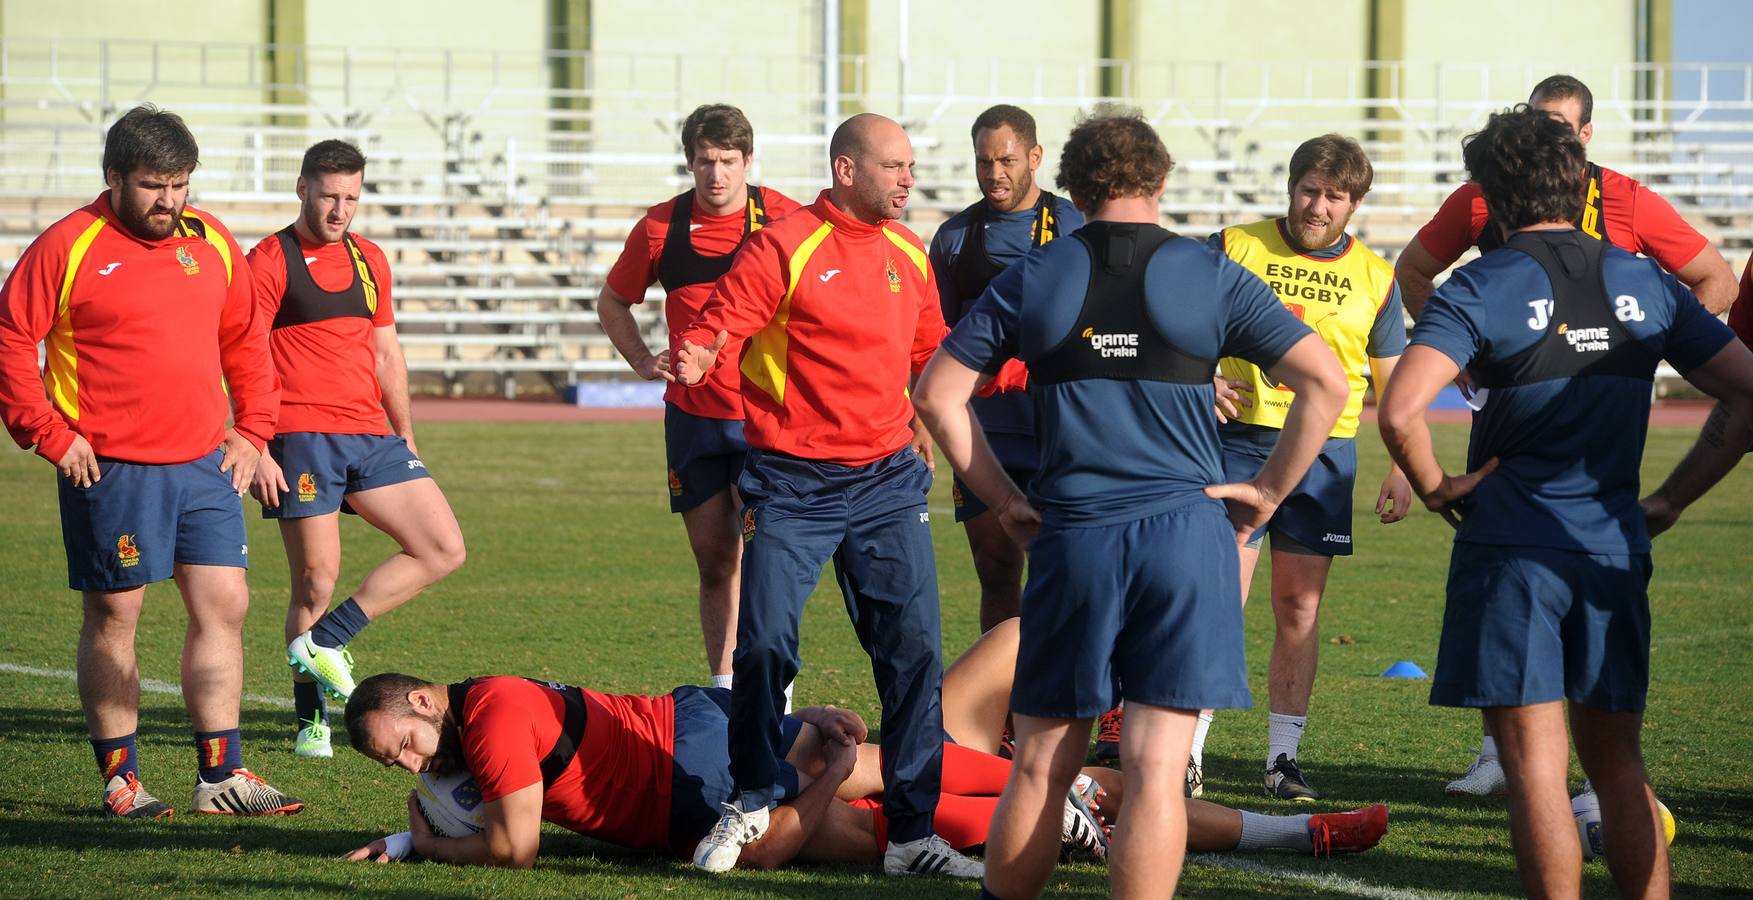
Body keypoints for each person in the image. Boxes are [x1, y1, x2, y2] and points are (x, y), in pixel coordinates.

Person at [913, 104, 1348, 900]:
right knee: (1153, 769)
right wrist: (1264, 493)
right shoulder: (1211, 271)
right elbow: (1326, 383)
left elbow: (937, 396)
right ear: (1160, 180)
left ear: (1072, 187)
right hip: (1184, 540)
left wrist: (1005, 499)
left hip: (1075, 534)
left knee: (1043, 762)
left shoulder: (1033, 274)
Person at [1378, 105, 1753, 900]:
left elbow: (1400, 408)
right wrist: (1673, 499)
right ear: (1576, 180)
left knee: (1535, 769)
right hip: (1613, 544)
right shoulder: (1644, 278)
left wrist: (1439, 487)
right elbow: (1746, 392)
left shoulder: (1479, 283)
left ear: (1489, 194)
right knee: (1617, 763)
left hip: (1512, 548)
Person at [340, 618, 1389, 869]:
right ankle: (1294, 835)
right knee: (949, 793)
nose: (404, 761)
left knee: (918, 803)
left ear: (429, 697)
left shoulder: (491, 715)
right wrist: (400, 838)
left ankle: (1113, 787)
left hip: (698, 773)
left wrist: (423, 846)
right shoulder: (466, 737)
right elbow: (486, 807)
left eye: (400, 739)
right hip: (696, 756)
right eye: (392, 758)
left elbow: (514, 843)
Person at [670, 112, 977, 879]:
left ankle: (911, 836)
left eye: (910, 166)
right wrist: (702, 350)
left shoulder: (909, 252)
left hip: (885, 484)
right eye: (894, 166)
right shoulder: (782, 244)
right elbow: (722, 322)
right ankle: (747, 799)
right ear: (847, 170)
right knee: (765, 644)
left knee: (913, 657)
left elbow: (934, 355)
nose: (909, 178)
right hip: (790, 485)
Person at [0, 104, 301, 818]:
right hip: (110, 468)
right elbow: (12, 339)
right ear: (113, 178)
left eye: (179, 184)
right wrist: (49, 432)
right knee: (116, 615)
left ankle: (221, 776)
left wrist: (253, 430)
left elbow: (246, 340)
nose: (169, 201)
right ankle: (122, 781)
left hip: (202, 464)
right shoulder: (69, 244)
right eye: (151, 185)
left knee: (225, 604)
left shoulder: (213, 242)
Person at [1195, 134, 1412, 802]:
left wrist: (1403, 466)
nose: (1318, 206)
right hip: (1240, 445)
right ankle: (1186, 751)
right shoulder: (1233, 245)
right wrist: (1200, 376)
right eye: (1309, 190)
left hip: (1325, 457)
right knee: (1215, 601)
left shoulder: (1377, 278)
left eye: (1334, 196)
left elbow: (1394, 387)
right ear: (1291, 187)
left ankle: (1281, 760)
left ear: (1355, 203)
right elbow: (1171, 323)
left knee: (1298, 608)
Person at [245, 140, 467, 756]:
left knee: (443, 547)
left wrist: (407, 432)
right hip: (300, 434)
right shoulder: (269, 261)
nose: (340, 210)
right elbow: (241, 353)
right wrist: (256, 444)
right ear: (302, 189)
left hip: (371, 434)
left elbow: (386, 351)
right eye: (328, 196)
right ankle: (311, 717)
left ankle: (327, 640)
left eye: (351, 198)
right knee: (315, 581)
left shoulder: (370, 258)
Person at [596, 105, 801, 690]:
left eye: (728, 162)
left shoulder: (784, 220)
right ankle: (722, 687)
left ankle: (774, 688)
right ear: (690, 161)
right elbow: (613, 302)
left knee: (771, 563)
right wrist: (641, 359)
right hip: (693, 421)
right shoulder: (660, 227)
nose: (717, 175)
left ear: (748, 161)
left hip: (765, 419)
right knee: (715, 563)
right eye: (705, 161)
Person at [927, 104, 1083, 635]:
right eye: (983, 161)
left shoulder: (1073, 226)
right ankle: (1004, 709)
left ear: (1035, 157)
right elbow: (933, 340)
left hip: (1058, 431)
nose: (994, 173)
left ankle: (1088, 705)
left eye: (1007, 160)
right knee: (995, 573)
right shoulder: (954, 238)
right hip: (982, 435)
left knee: (1066, 574)